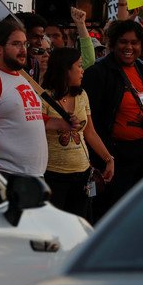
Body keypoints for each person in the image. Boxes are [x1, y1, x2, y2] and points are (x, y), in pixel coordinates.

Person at [0, 18, 76, 178]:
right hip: (7, 176)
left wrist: (60, 123)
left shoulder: (22, 76)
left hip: (34, 176)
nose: (23, 49)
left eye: (24, 44)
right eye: (16, 44)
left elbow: (29, 116)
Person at [82, 19, 143, 219]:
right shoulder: (98, 73)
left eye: (134, 42)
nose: (129, 47)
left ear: (141, 46)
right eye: (123, 42)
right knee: (115, 213)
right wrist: (104, 158)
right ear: (112, 44)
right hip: (117, 157)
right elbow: (93, 121)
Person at [41, 47, 114, 219]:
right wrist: (57, 124)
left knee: (79, 224)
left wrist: (108, 159)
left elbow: (90, 132)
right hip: (53, 175)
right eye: (79, 66)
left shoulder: (82, 95)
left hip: (82, 173)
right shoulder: (43, 96)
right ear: (66, 69)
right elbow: (35, 125)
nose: (82, 71)